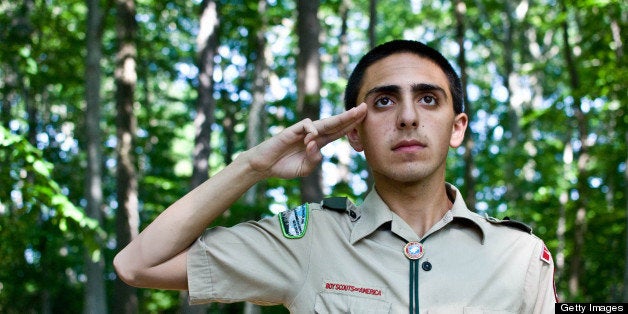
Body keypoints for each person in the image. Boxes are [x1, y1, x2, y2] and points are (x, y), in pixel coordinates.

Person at [114, 39, 557, 313]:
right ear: (355, 132)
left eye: (427, 99)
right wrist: (253, 166)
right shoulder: (308, 240)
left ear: (456, 127)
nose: (406, 117)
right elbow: (136, 265)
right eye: (383, 102)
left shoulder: (519, 256)